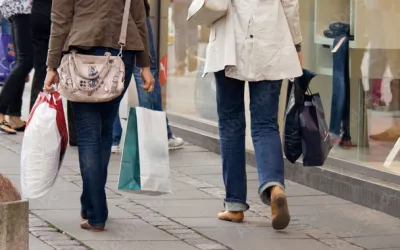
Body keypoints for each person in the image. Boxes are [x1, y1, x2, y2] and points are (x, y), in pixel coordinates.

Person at [44, 0, 154, 231]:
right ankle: (91, 205)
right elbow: (138, 18)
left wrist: (52, 66)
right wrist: (145, 66)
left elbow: (60, 22)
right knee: (103, 133)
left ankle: (96, 213)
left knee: (88, 135)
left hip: (80, 53)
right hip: (121, 53)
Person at [203, 0, 302, 230]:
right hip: (270, 39)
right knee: (266, 124)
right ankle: (274, 186)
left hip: (228, 41)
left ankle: (235, 205)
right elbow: (290, 3)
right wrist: (296, 42)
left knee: (230, 123)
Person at [112, 0, 184, 153]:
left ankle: (112, 137)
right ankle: (156, 136)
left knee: (111, 72)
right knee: (144, 72)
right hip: (133, 10)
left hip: (103, 15)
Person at [0, 0, 33, 134]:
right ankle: (1, 109)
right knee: (25, 61)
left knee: (22, 61)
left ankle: (14, 116)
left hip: (14, 7)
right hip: (22, 7)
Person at [29, 0, 52, 111]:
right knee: (70, 72)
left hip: (39, 13)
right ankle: (74, 127)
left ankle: (34, 119)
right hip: (59, 14)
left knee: (40, 70)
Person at [172, 0, 198, 75]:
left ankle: (180, 64)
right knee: (192, 28)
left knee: (180, 32)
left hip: (180, 2)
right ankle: (193, 55)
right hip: (194, 2)